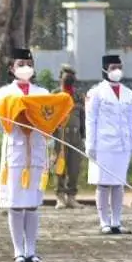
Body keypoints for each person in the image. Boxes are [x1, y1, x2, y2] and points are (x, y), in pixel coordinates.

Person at [0, 48, 50, 262]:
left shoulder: (42, 93)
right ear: (11, 68)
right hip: (15, 151)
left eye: (28, 63)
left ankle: (32, 251)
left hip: (36, 149)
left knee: (33, 203)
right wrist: (15, 115)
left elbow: (49, 120)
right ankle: (18, 252)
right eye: (20, 64)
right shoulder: (4, 93)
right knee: (16, 203)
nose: (25, 67)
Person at [85, 54, 132, 236]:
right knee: (104, 184)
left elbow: (131, 120)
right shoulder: (95, 92)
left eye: (119, 67)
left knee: (118, 184)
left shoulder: (128, 93)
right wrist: (90, 144)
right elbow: (90, 119)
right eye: (113, 67)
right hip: (103, 144)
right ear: (105, 70)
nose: (117, 71)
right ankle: (104, 221)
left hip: (122, 144)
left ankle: (116, 221)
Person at [53, 65, 84, 208]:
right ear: (60, 78)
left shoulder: (78, 96)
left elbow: (83, 117)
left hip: (76, 137)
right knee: (59, 168)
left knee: (74, 168)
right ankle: (60, 197)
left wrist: (84, 136)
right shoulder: (54, 94)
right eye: (67, 75)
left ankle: (71, 197)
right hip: (60, 136)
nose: (69, 78)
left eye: (72, 75)